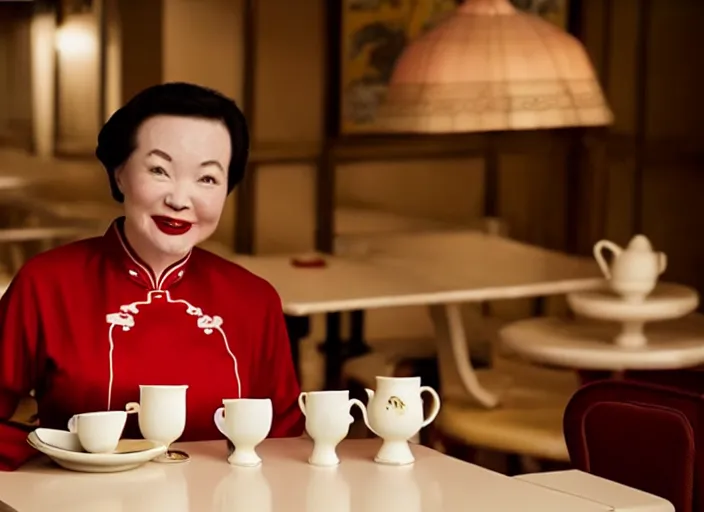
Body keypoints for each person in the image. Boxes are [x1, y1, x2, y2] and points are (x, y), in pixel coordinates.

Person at [0, 82, 304, 471]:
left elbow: (284, 439)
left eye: (207, 178)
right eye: (159, 170)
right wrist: (42, 466)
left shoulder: (253, 299)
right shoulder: (46, 283)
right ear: (120, 173)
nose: (179, 199)